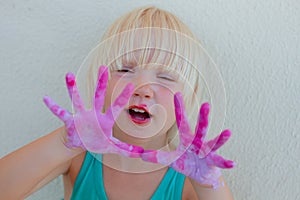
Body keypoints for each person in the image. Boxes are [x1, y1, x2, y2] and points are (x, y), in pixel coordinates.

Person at [0, 6, 235, 200]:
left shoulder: (187, 183)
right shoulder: (79, 158)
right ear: (101, 82)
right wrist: (64, 142)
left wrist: (208, 184)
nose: (142, 89)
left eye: (165, 76)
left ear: (190, 96)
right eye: (124, 69)